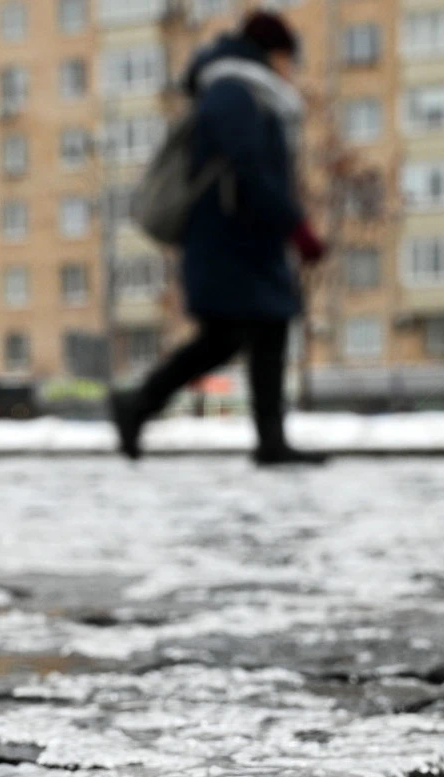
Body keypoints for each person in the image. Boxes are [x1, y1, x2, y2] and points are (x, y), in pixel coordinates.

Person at [110, 12, 330, 467]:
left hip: (245, 239)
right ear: (274, 53)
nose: (292, 69)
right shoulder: (233, 92)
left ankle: (265, 437)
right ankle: (140, 405)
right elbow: (250, 167)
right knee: (233, 335)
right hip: (229, 241)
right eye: (290, 58)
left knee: (256, 330)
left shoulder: (245, 92)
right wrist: (295, 225)